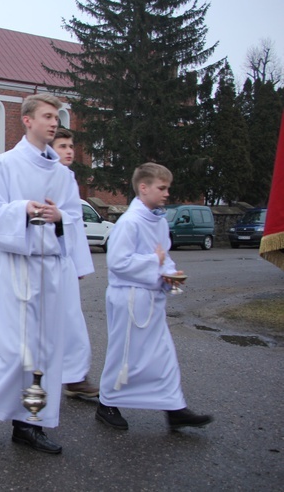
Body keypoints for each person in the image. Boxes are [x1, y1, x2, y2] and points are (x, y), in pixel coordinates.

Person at [0, 94, 88, 454]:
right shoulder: (3, 165)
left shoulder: (63, 174)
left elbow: (74, 219)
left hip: (50, 270)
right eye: (47, 117)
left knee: (44, 351)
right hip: (16, 268)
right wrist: (23, 208)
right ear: (26, 121)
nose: (54, 123)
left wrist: (60, 220)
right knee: (14, 347)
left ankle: (29, 425)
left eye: (56, 118)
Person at [95, 163, 213, 432]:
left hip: (150, 298)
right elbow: (117, 262)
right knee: (125, 354)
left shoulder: (158, 221)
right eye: (162, 188)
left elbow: (165, 255)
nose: (167, 193)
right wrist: (154, 262)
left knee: (163, 354)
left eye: (168, 188)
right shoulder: (129, 222)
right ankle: (107, 403)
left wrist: (169, 273)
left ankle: (174, 407)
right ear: (143, 187)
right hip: (129, 298)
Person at [51, 128, 99, 398]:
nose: (69, 151)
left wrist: (79, 264)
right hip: (43, 260)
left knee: (72, 320)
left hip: (63, 260)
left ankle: (75, 376)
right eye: (62, 146)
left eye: (71, 146)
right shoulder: (44, 176)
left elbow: (75, 224)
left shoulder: (68, 178)